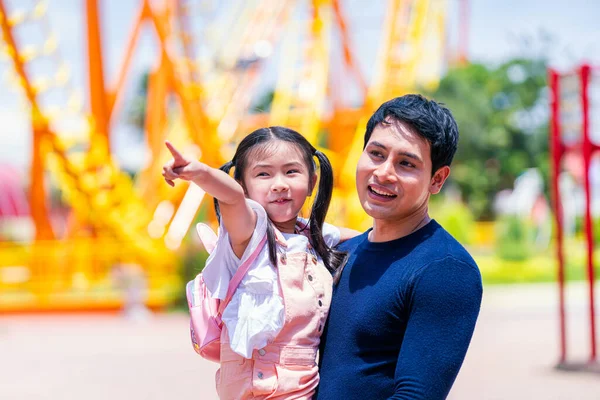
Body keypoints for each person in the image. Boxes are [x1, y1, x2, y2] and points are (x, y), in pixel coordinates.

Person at [162, 126, 358, 400]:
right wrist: (200, 174)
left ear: (312, 182)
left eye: (291, 171)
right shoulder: (247, 233)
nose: (279, 184)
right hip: (260, 389)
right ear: (243, 185)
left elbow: (371, 238)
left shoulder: (312, 234)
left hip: (304, 388)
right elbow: (230, 197)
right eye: (263, 174)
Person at [316, 94, 483, 400]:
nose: (383, 172)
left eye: (406, 163)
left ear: (437, 179)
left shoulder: (445, 269)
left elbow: (416, 396)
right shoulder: (345, 252)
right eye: (376, 154)